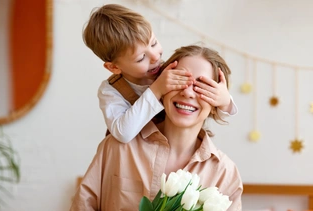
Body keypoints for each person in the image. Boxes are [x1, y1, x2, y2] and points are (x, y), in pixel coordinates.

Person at [70, 45, 243, 211]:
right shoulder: (117, 148)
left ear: (216, 104)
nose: (188, 92)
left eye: (203, 87)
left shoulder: (225, 174)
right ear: (161, 88)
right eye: (179, 79)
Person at [83, 4, 238, 143]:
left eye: (154, 43)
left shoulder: (171, 70)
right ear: (114, 67)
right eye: (141, 57)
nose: (156, 57)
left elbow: (204, 106)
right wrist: (156, 89)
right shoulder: (111, 91)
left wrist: (224, 102)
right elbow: (123, 133)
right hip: (131, 158)